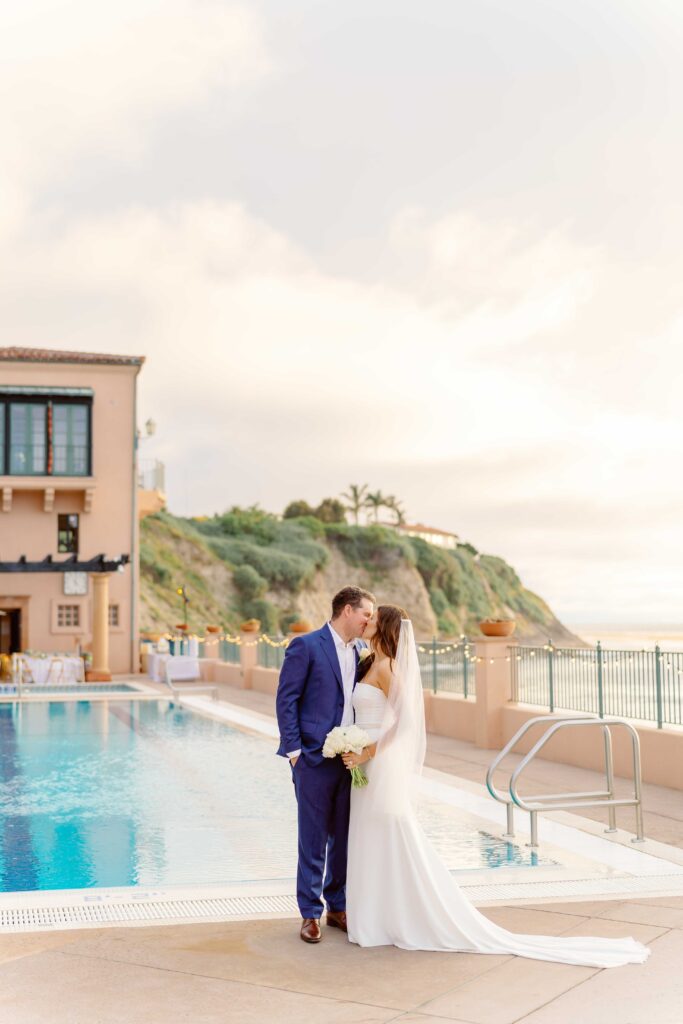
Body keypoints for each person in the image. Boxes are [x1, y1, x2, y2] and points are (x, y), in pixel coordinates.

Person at [341, 605, 651, 968]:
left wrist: (368, 752)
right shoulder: (367, 660)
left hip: (378, 760)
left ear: (386, 627)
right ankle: (376, 917)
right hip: (362, 758)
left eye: (373, 619)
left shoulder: (388, 667)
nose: (367, 622)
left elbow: (408, 721)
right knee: (369, 833)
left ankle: (404, 915)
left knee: (391, 831)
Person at [275, 585, 374, 943]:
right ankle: (309, 913)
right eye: (366, 613)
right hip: (313, 758)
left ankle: (337, 906)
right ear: (347, 610)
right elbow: (286, 699)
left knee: (344, 837)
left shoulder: (363, 651)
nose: (369, 621)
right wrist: (295, 752)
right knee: (312, 838)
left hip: (350, 759)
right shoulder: (306, 645)